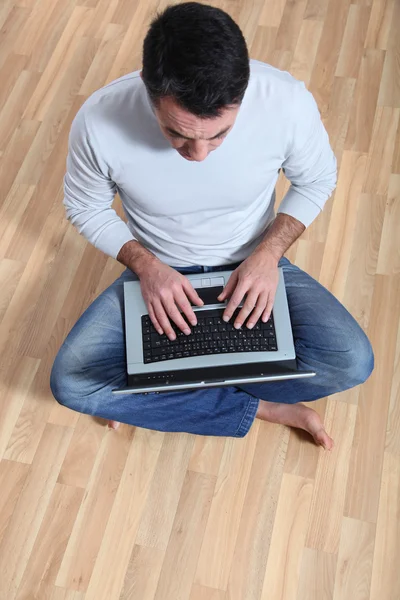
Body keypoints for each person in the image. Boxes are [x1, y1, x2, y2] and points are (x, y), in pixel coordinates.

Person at [50, 2, 374, 449]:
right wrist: (147, 267)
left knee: (353, 361)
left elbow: (316, 179)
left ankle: (161, 391)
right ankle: (263, 407)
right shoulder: (99, 120)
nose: (198, 154)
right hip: (159, 270)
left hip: (253, 262)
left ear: (244, 92)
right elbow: (85, 206)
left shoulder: (285, 102)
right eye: (177, 133)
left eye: (218, 135)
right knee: (72, 383)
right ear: (148, 87)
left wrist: (267, 255)